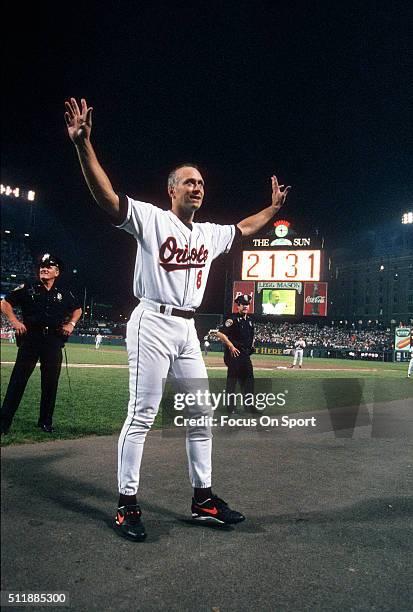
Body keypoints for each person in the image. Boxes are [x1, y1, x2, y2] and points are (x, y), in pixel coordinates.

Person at [64, 97, 290, 541]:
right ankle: (126, 504)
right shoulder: (150, 219)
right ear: (172, 190)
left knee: (199, 412)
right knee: (143, 412)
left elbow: (244, 228)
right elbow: (107, 198)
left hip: (187, 328)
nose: (197, 187)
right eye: (188, 182)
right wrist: (83, 145)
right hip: (152, 321)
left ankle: (203, 498)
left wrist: (273, 211)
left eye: (201, 182)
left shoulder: (208, 234)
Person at [0, 253, 82, 434]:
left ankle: (45, 421)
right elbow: (4, 303)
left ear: (57, 272)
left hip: (53, 341)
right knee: (17, 381)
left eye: (49, 267)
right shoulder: (27, 288)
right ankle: (3, 423)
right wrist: (14, 321)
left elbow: (77, 310)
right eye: (42, 267)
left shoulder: (63, 294)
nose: (44, 269)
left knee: (50, 383)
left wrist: (71, 324)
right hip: (31, 339)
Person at [216, 294, 255, 413]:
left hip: (245, 355)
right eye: (243, 304)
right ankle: (231, 408)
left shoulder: (250, 320)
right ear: (238, 306)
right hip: (234, 355)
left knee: (248, 381)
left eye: (247, 304)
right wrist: (231, 346)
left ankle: (249, 406)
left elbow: (251, 336)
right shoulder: (232, 319)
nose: (246, 307)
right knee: (232, 382)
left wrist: (251, 346)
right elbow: (220, 333)